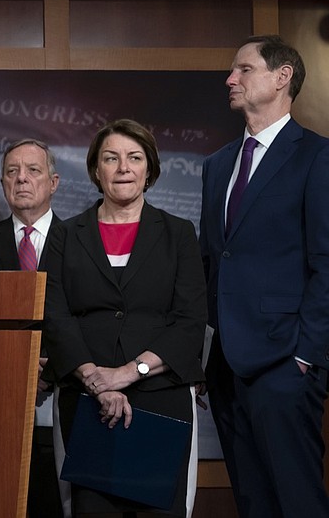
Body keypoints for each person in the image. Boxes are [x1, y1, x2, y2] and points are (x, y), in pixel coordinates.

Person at [43, 119, 207, 517]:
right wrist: (97, 379)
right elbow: (55, 313)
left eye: (134, 158)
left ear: (149, 169)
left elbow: (190, 320)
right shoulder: (65, 235)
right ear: (95, 170)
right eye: (111, 159)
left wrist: (130, 372)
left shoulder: (179, 233)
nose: (123, 168)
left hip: (160, 401)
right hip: (87, 401)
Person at [200, 35, 329, 518]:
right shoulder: (216, 166)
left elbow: (327, 263)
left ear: (282, 77)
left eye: (243, 69)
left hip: (285, 365)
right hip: (227, 371)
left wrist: (306, 355)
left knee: (298, 503)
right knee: (253, 504)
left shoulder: (316, 156)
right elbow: (211, 263)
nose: (231, 79)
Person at [0, 138, 66, 517]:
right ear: (2, 183)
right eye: (12, 172)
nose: (22, 179)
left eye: (33, 170)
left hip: (63, 396)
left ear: (53, 182)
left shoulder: (79, 240)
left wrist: (50, 364)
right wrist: (16, 361)